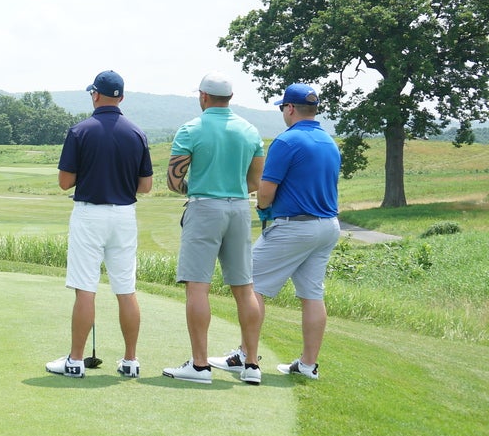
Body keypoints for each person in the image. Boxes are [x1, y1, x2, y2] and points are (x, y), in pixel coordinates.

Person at [214, 83, 341, 379]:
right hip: (328, 226)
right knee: (312, 294)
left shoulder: (287, 141)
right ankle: (308, 365)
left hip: (294, 226)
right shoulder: (329, 141)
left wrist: (263, 211)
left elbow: (265, 192)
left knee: (250, 284)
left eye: (283, 107)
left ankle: (246, 355)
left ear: (291, 108)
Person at [46, 70, 154, 378]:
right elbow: (145, 186)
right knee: (126, 288)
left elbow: (65, 182)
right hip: (123, 216)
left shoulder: (80, 131)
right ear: (121, 97)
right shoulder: (137, 133)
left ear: (95, 94)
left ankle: (75, 361)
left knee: (85, 289)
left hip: (90, 215)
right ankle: (131, 361)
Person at [161, 72, 265, 385]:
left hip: (204, 208)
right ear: (230, 98)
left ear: (203, 97)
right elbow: (254, 182)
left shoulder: (191, 129)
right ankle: (251, 364)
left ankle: (200, 365)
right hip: (238, 209)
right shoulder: (250, 131)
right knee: (243, 286)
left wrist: (193, 188)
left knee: (197, 285)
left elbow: (174, 180)